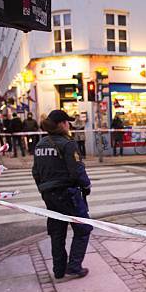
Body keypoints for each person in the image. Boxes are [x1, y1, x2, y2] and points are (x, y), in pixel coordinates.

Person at [32, 110, 92, 279]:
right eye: (67, 122)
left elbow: (35, 171)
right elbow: (77, 171)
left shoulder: (40, 144)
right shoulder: (67, 144)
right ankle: (74, 266)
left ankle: (59, 269)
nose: (69, 125)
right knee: (83, 228)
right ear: (61, 124)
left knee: (57, 232)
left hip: (50, 196)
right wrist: (86, 185)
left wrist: (43, 189)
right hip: (68, 194)